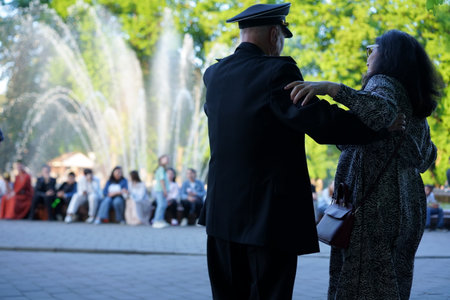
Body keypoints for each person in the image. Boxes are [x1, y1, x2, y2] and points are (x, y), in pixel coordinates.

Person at [198, 3, 396, 299]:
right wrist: (379, 127)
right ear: (275, 33)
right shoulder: (277, 71)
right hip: (267, 220)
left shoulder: (214, 74)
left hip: (220, 216)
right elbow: (321, 123)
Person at [287, 29, 439, 299]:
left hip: (374, 207)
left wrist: (329, 88)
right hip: (408, 207)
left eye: (373, 49)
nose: (368, 56)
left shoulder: (383, 83)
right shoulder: (416, 104)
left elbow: (381, 112)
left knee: (359, 283)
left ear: (388, 56)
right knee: (393, 282)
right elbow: (427, 157)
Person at [152, 155, 170, 229]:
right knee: (161, 205)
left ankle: (161, 220)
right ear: (161, 160)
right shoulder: (161, 169)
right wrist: (165, 190)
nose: (167, 159)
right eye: (165, 158)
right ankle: (156, 221)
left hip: (161, 190)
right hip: (160, 190)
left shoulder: (162, 169)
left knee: (163, 205)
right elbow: (162, 180)